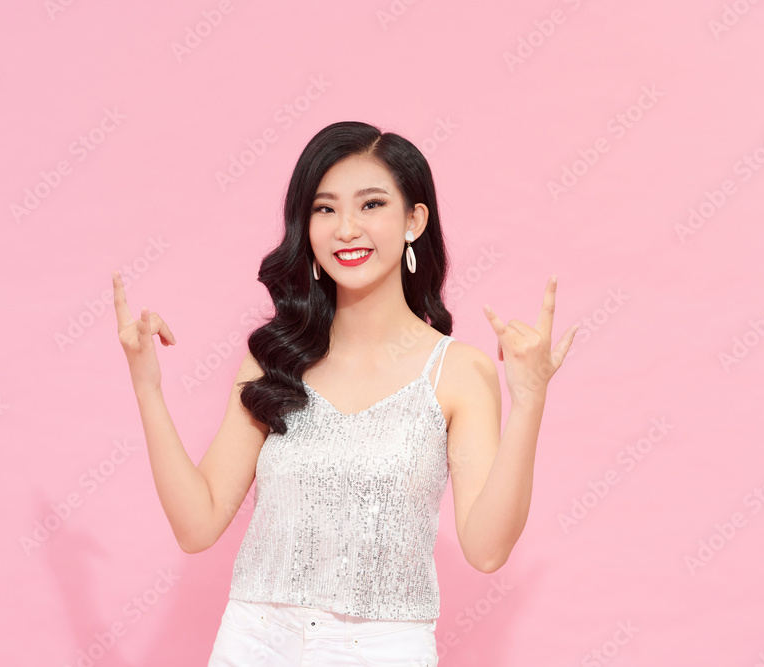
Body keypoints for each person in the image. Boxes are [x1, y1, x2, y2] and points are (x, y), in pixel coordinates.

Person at [111, 120, 578, 665]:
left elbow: (487, 549)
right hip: (255, 642)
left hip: (384, 650)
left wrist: (530, 400)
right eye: (325, 209)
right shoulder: (275, 359)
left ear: (414, 220)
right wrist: (147, 385)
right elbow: (197, 524)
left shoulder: (457, 372)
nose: (346, 229)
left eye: (372, 205)